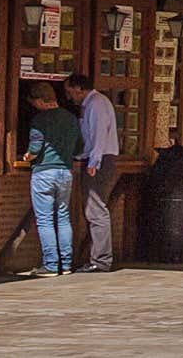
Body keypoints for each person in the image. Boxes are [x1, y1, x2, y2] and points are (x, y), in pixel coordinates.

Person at [15, 82, 82, 277]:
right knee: (63, 217)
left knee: (45, 220)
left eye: (33, 102)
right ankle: (66, 264)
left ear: (39, 100)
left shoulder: (40, 120)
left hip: (44, 172)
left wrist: (27, 156)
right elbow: (79, 147)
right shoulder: (71, 118)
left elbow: (35, 149)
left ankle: (51, 265)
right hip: (65, 172)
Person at [63, 75, 121, 272]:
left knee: (95, 209)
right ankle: (99, 258)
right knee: (93, 209)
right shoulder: (91, 104)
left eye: (70, 92)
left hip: (100, 159)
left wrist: (93, 161)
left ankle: (101, 260)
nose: (69, 97)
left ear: (79, 88)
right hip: (96, 157)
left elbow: (98, 134)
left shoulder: (96, 103)